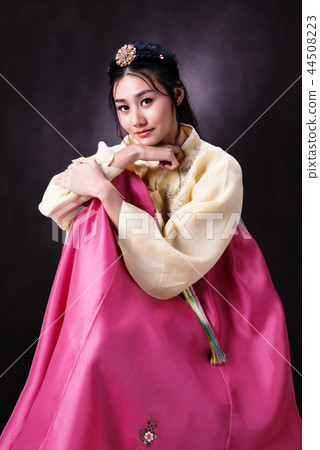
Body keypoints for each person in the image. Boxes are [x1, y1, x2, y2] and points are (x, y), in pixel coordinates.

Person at [0, 42, 301, 449]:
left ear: (175, 95)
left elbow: (172, 272)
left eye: (146, 100)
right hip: (134, 302)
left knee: (100, 208)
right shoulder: (132, 150)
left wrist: (109, 196)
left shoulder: (218, 168)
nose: (135, 119)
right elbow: (53, 201)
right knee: (90, 217)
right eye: (123, 108)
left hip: (205, 305)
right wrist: (129, 157)